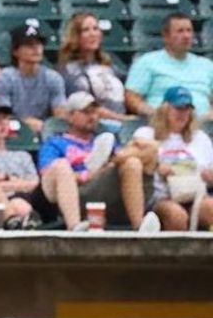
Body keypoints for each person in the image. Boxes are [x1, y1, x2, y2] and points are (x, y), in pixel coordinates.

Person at [39, 92, 160, 232]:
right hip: (75, 193)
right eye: (85, 112)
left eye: (94, 112)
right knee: (61, 166)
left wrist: (112, 161)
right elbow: (49, 176)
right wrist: (85, 175)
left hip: (105, 190)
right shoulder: (55, 143)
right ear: (70, 116)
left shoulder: (104, 141)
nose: (92, 116)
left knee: (133, 161)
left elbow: (150, 150)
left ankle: (140, 227)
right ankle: (75, 228)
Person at [132, 86, 213, 231]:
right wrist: (157, 167)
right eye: (178, 108)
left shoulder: (201, 138)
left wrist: (209, 176)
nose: (182, 114)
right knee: (176, 215)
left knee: (210, 208)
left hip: (196, 194)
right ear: (165, 110)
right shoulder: (146, 134)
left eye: (187, 109)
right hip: (161, 196)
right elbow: (136, 165)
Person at [125, 13, 213, 121]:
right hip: (163, 126)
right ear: (166, 36)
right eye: (180, 31)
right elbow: (131, 97)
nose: (186, 36)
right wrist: (152, 113)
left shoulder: (206, 65)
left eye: (189, 31)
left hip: (204, 126)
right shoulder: (147, 62)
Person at [57, 12, 134, 128]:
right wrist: (124, 119)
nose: (93, 34)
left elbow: (130, 89)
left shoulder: (109, 65)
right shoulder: (70, 71)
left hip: (123, 123)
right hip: (97, 125)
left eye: (95, 29)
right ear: (76, 36)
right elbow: (88, 107)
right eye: (86, 30)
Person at [0, 25, 67, 136]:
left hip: (45, 131)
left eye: (38, 44)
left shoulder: (53, 78)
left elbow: (60, 115)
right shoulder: (5, 78)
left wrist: (48, 126)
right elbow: (2, 115)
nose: (36, 48)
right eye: (28, 45)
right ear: (15, 51)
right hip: (13, 132)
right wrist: (25, 123)